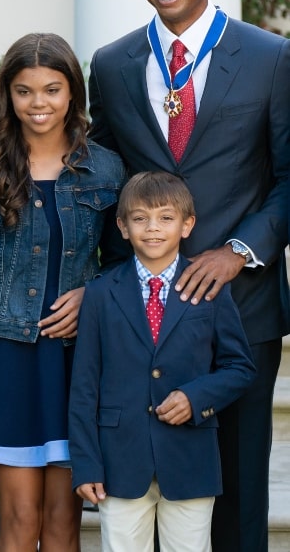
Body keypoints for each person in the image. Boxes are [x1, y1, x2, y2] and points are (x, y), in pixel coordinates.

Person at [0, 0, 290, 549]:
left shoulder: (271, 58)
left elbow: (288, 176)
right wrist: (2, 154)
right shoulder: (112, 64)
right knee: (135, 484)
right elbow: (92, 176)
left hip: (240, 309)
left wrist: (240, 250)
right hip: (135, 322)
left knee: (239, 492)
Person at [0, 32, 126, 551]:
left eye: (52, 90)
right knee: (19, 521)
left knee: (63, 524)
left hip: (79, 363)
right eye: (24, 91)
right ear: (8, 94)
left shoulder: (105, 168)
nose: (38, 104)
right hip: (4, 358)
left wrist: (90, 295)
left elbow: (126, 266)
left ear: (73, 92)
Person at [68, 171, 256, 552]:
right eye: (140, 218)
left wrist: (196, 398)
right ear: (122, 226)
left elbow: (240, 368)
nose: (152, 229)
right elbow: (84, 386)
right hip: (120, 463)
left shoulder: (210, 288)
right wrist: (86, 465)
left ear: (187, 225)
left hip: (191, 462)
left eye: (166, 218)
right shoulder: (100, 294)